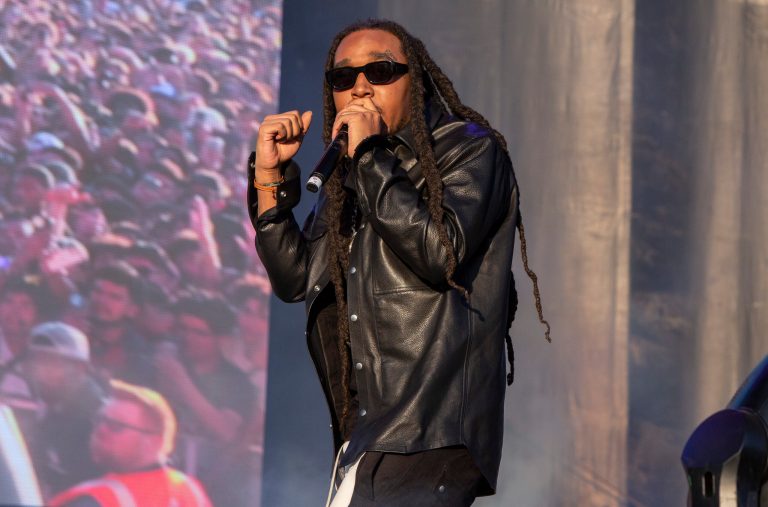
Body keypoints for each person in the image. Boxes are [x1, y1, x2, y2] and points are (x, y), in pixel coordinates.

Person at [248, 19, 550, 506]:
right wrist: (269, 181)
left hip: (427, 432)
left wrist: (369, 155)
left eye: (381, 71)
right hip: (367, 439)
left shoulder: (469, 149)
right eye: (343, 78)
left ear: (417, 81)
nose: (360, 88)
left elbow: (440, 253)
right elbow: (296, 279)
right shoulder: (351, 176)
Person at [47, 379, 212, 507]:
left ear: (153, 442)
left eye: (115, 426)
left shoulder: (99, 499)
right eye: (99, 420)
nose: (101, 430)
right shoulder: (190, 491)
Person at [21, 321, 106, 497]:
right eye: (36, 361)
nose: (39, 371)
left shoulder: (97, 423)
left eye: (50, 362)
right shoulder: (52, 407)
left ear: (80, 368)